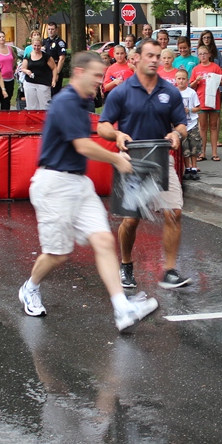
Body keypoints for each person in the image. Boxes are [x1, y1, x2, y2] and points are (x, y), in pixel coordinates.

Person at [19, 50, 160, 329]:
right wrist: (116, 159)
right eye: (97, 75)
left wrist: (117, 143)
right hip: (53, 184)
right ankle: (30, 288)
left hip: (79, 183)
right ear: (79, 73)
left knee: (104, 240)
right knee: (58, 254)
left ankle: (122, 309)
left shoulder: (82, 102)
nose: (100, 80)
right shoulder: (65, 102)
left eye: (102, 76)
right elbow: (82, 145)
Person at [98, 38, 190, 290]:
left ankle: (170, 271)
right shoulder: (122, 91)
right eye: (150, 55)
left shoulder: (170, 91)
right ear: (137, 58)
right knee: (131, 220)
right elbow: (103, 125)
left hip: (161, 158)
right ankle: (126, 264)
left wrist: (177, 134)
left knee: (174, 212)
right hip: (132, 161)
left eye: (157, 56)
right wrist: (117, 134)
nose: (154, 60)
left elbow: (181, 124)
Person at [190, 44, 222, 162]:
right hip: (201, 101)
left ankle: (214, 153)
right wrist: (196, 80)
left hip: (213, 100)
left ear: (209, 54)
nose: (203, 56)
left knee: (213, 126)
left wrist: (215, 79)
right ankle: (202, 152)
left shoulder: (215, 67)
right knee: (203, 127)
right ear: (198, 56)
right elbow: (191, 86)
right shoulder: (196, 69)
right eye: (200, 54)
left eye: (205, 53)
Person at [175, 69, 202, 179]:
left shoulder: (191, 92)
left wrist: (189, 110)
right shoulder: (174, 93)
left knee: (194, 145)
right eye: (179, 78)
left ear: (187, 80)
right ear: (175, 80)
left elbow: (198, 107)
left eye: (183, 79)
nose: (181, 81)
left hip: (192, 124)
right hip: (180, 125)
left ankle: (194, 168)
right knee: (184, 147)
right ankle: (187, 168)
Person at [21, 35, 56, 110]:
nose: (36, 48)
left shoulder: (46, 56)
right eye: (35, 46)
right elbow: (23, 68)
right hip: (30, 83)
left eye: (38, 46)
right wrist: (27, 71)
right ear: (32, 45)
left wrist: (54, 80)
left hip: (43, 83)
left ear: (41, 45)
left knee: (45, 106)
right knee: (31, 106)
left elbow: (54, 68)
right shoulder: (28, 55)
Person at [0, 32, 18, 110]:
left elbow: (14, 58)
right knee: (0, 100)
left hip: (10, 78)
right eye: (0, 37)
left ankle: (6, 115)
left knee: (7, 100)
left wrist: (13, 67)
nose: (2, 38)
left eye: (3, 36)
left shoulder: (10, 48)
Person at [42, 22, 67, 96]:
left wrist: (57, 73)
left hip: (55, 69)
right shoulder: (45, 41)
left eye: (52, 29)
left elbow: (62, 59)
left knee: (55, 93)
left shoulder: (60, 42)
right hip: (46, 71)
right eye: (49, 29)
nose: (50, 31)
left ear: (56, 30)